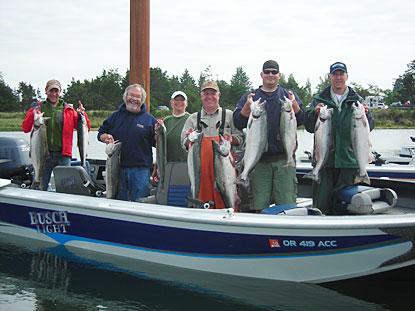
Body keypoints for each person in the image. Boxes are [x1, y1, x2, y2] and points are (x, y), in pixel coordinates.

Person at [233, 60, 305, 213]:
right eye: (267, 72)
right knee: (259, 205)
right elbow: (238, 123)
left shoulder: (288, 96)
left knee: (287, 205)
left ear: (279, 75)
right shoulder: (251, 96)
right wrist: (247, 107)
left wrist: (295, 106)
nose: (270, 75)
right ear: (261, 74)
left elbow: (304, 121)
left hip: (284, 159)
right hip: (259, 161)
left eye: (274, 72)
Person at [304, 62, 375, 214]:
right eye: (335, 75)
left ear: (347, 77)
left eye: (341, 74)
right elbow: (309, 128)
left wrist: (366, 115)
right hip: (325, 163)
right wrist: (314, 114)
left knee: (346, 206)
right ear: (330, 77)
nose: (338, 78)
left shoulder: (357, 100)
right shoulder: (319, 99)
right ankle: (321, 233)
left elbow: (371, 127)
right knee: (321, 206)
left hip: (349, 162)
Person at [181, 81, 243, 209]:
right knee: (202, 207)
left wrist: (232, 139)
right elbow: (184, 143)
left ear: (219, 95)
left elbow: (241, 139)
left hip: (225, 169)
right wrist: (189, 139)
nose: (209, 96)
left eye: (213, 93)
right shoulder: (193, 118)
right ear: (201, 96)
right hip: (200, 172)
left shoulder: (230, 115)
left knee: (227, 205)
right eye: (206, 93)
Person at [22, 79, 90, 191]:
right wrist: (32, 114)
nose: (53, 94)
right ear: (46, 91)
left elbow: (84, 127)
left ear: (60, 91)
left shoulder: (68, 109)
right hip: (43, 155)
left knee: (67, 189)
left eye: (56, 91)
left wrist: (82, 114)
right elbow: (25, 128)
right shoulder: (39, 108)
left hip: (64, 155)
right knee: (40, 187)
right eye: (51, 91)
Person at [98, 83, 157, 201]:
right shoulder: (115, 116)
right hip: (117, 169)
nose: (134, 99)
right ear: (125, 97)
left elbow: (157, 144)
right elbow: (101, 133)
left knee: (140, 204)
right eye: (131, 95)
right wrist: (106, 138)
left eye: (138, 97)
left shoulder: (149, 119)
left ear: (142, 100)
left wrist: (159, 134)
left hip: (141, 171)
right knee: (117, 203)